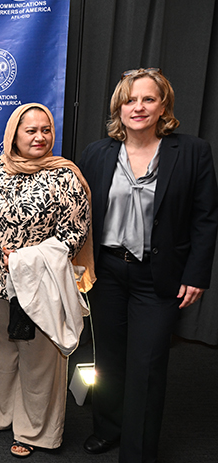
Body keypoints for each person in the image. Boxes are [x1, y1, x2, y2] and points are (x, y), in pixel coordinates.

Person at [78, 68, 218, 463]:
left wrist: (196, 274)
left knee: (147, 363)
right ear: (119, 108)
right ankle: (108, 429)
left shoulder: (192, 152)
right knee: (108, 359)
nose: (138, 107)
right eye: (130, 100)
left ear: (163, 107)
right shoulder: (97, 153)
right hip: (106, 272)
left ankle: (137, 451)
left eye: (148, 99)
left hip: (156, 276)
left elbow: (205, 218)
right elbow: (81, 215)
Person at [0, 103, 92, 458]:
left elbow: (75, 235)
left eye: (46, 130)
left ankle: (35, 431)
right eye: (31, 130)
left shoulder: (65, 177)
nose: (40, 137)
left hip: (41, 286)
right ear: (13, 135)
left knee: (40, 362)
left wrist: (26, 259)